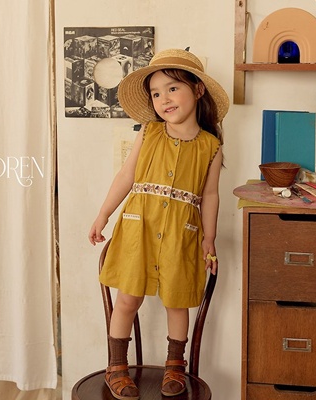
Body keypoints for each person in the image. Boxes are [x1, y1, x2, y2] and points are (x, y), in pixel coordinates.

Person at [88, 48, 229, 399]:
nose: (163, 99)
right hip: (139, 230)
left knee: (177, 302)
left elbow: (210, 195)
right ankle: (116, 367)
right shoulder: (149, 132)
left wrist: (209, 238)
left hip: (182, 235)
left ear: (198, 90)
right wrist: (104, 214)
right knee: (127, 300)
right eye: (155, 93)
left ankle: (175, 365)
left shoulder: (211, 146)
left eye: (172, 88)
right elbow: (126, 175)